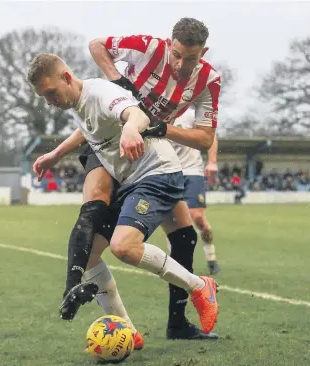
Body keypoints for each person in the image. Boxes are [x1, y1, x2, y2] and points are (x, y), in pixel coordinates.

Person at [27, 53, 219, 339]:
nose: (48, 101)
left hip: (157, 174)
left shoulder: (101, 92)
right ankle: (128, 332)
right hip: (131, 181)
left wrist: (130, 129)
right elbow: (87, 131)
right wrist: (54, 155)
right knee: (91, 253)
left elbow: (136, 113)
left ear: (67, 78)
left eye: (51, 93)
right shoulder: (78, 103)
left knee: (123, 247)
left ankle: (201, 287)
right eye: (44, 97)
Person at [171, 108, 220, 274]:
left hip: (193, 171)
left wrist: (212, 161)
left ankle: (211, 257)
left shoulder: (190, 115)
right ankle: (176, 263)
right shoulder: (156, 114)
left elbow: (210, 137)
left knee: (198, 217)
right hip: (169, 172)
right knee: (173, 220)